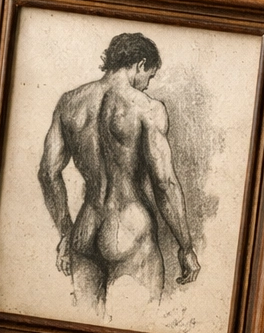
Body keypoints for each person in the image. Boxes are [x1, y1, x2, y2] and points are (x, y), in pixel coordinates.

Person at [37, 32, 200, 311]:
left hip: (84, 231)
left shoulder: (69, 102)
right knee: (141, 328)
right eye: (149, 75)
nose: (147, 84)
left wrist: (66, 231)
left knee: (86, 331)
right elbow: (165, 184)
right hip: (131, 230)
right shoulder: (147, 108)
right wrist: (186, 247)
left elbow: (48, 173)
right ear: (139, 64)